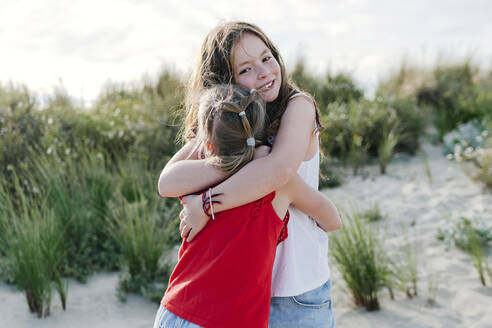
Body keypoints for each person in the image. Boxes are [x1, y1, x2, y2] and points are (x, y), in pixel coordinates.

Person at [158, 21, 336, 327]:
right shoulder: (229, 124)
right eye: (246, 69)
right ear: (226, 81)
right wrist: (228, 160)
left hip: (294, 290)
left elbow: (276, 170)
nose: (265, 71)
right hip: (240, 295)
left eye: (267, 58)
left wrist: (205, 203)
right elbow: (168, 181)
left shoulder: (298, 105)